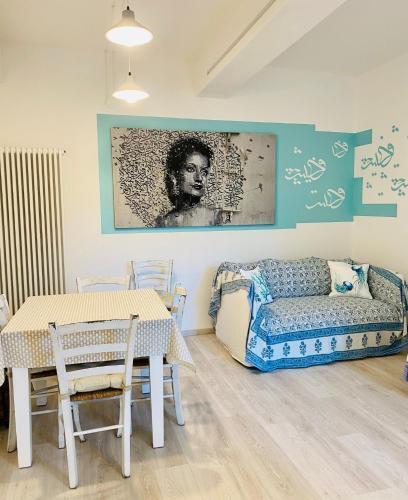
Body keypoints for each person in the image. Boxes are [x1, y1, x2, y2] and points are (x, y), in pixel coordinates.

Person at [157, 137, 221, 227]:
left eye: (204, 172)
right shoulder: (164, 222)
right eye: (190, 169)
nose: (199, 178)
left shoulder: (214, 217)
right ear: (174, 175)